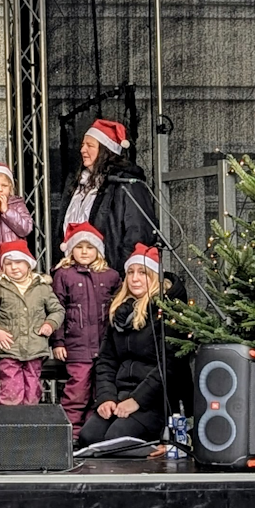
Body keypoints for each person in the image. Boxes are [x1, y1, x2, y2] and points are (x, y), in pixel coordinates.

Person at [80, 244, 176, 446]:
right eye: (131, 272)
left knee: (117, 439)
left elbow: (168, 366)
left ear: (155, 277)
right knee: (89, 437)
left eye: (143, 273)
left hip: (152, 402)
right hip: (120, 397)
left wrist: (137, 401)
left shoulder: (166, 312)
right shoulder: (120, 312)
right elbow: (106, 360)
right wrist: (106, 397)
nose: (135, 278)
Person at [52, 223, 121, 438]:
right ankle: (70, 434)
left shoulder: (111, 276)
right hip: (77, 346)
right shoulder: (64, 275)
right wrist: (58, 341)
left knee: (99, 392)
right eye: (79, 247)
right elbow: (56, 309)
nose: (84, 252)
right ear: (71, 249)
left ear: (98, 251)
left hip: (104, 347)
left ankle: (91, 434)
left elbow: (120, 306)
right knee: (77, 391)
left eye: (89, 247)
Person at [0, 240, 64, 406]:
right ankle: (9, 424)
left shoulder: (42, 287)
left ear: (28, 264)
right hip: (8, 347)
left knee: (32, 387)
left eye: (18, 262)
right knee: (11, 387)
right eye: (8, 263)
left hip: (35, 347)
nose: (14, 267)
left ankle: (29, 423)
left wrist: (50, 324)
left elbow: (58, 310)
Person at [67, 119, 158, 255]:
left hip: (111, 272)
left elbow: (138, 231)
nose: (82, 150)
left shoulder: (126, 184)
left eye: (90, 145)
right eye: (82, 145)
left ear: (106, 151)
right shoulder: (79, 184)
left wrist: (120, 269)